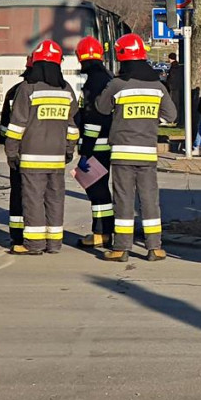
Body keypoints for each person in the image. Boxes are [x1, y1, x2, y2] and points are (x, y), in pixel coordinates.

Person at [96, 33, 177, 262]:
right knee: (150, 199)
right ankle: (155, 247)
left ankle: (121, 248)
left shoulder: (117, 84)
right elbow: (171, 115)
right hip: (148, 152)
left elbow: (102, 108)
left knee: (123, 200)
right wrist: (151, 121)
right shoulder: (158, 87)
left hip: (122, 152)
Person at [4, 40, 79, 255]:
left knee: (33, 199)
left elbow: (17, 125)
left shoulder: (28, 89)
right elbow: (72, 126)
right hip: (56, 157)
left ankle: (34, 245)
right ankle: (54, 244)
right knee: (55, 199)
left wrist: (11, 152)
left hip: (31, 157)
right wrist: (68, 149)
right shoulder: (66, 90)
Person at [74, 36, 115, 248]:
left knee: (97, 190)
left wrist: (85, 152)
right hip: (106, 143)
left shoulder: (93, 82)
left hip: (97, 146)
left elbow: (92, 119)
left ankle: (101, 232)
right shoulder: (106, 77)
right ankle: (103, 230)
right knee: (99, 189)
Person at [0, 54, 32, 252]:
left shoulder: (14, 92)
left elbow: (4, 128)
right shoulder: (51, 91)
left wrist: (11, 149)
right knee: (42, 195)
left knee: (18, 193)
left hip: (19, 152)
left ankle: (17, 236)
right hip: (43, 153)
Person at [166, 52, 184, 126]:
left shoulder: (173, 67)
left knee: (174, 104)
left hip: (173, 88)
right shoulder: (179, 67)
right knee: (178, 104)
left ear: (170, 58)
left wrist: (168, 84)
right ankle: (178, 119)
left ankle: (174, 119)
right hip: (179, 87)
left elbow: (171, 79)